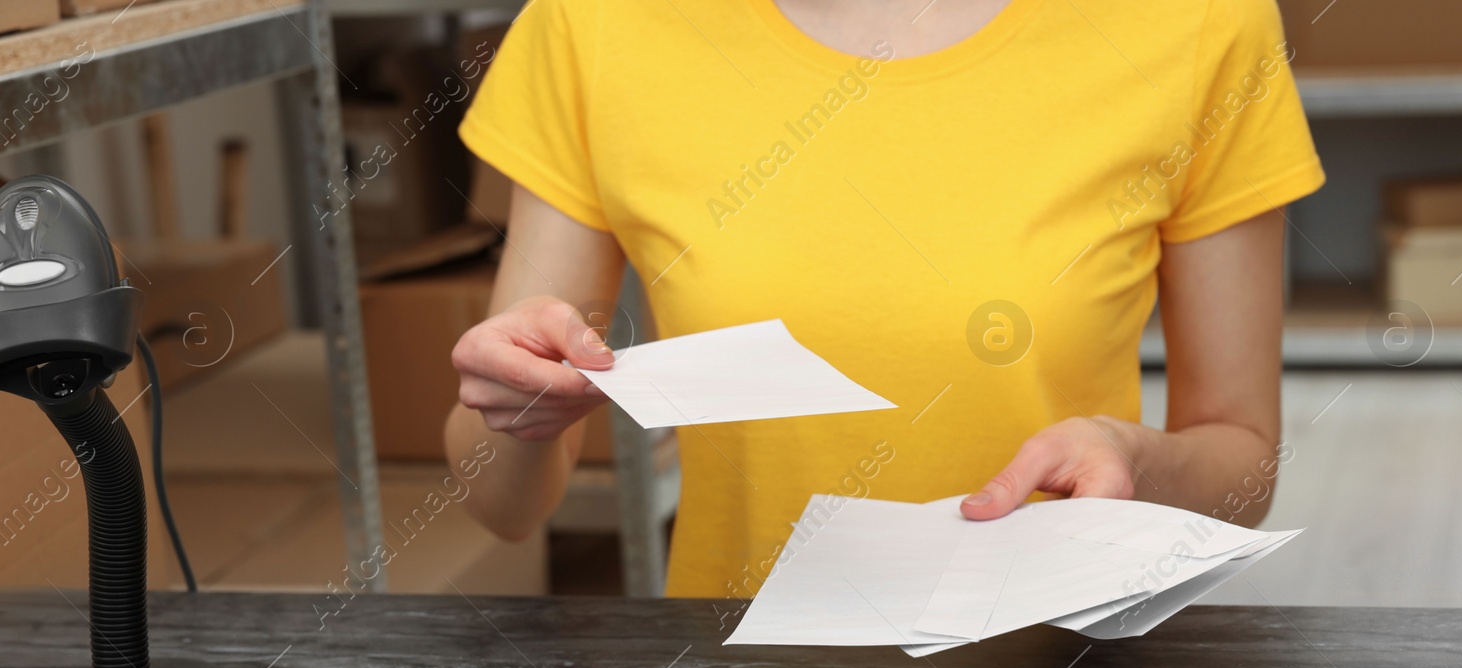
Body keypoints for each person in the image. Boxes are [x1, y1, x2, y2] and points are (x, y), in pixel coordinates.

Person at [447, 0, 1323, 598]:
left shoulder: (1194, 22)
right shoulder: (599, 24)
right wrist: (514, 411)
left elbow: (1244, 465)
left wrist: (1133, 456)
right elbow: (505, 505)